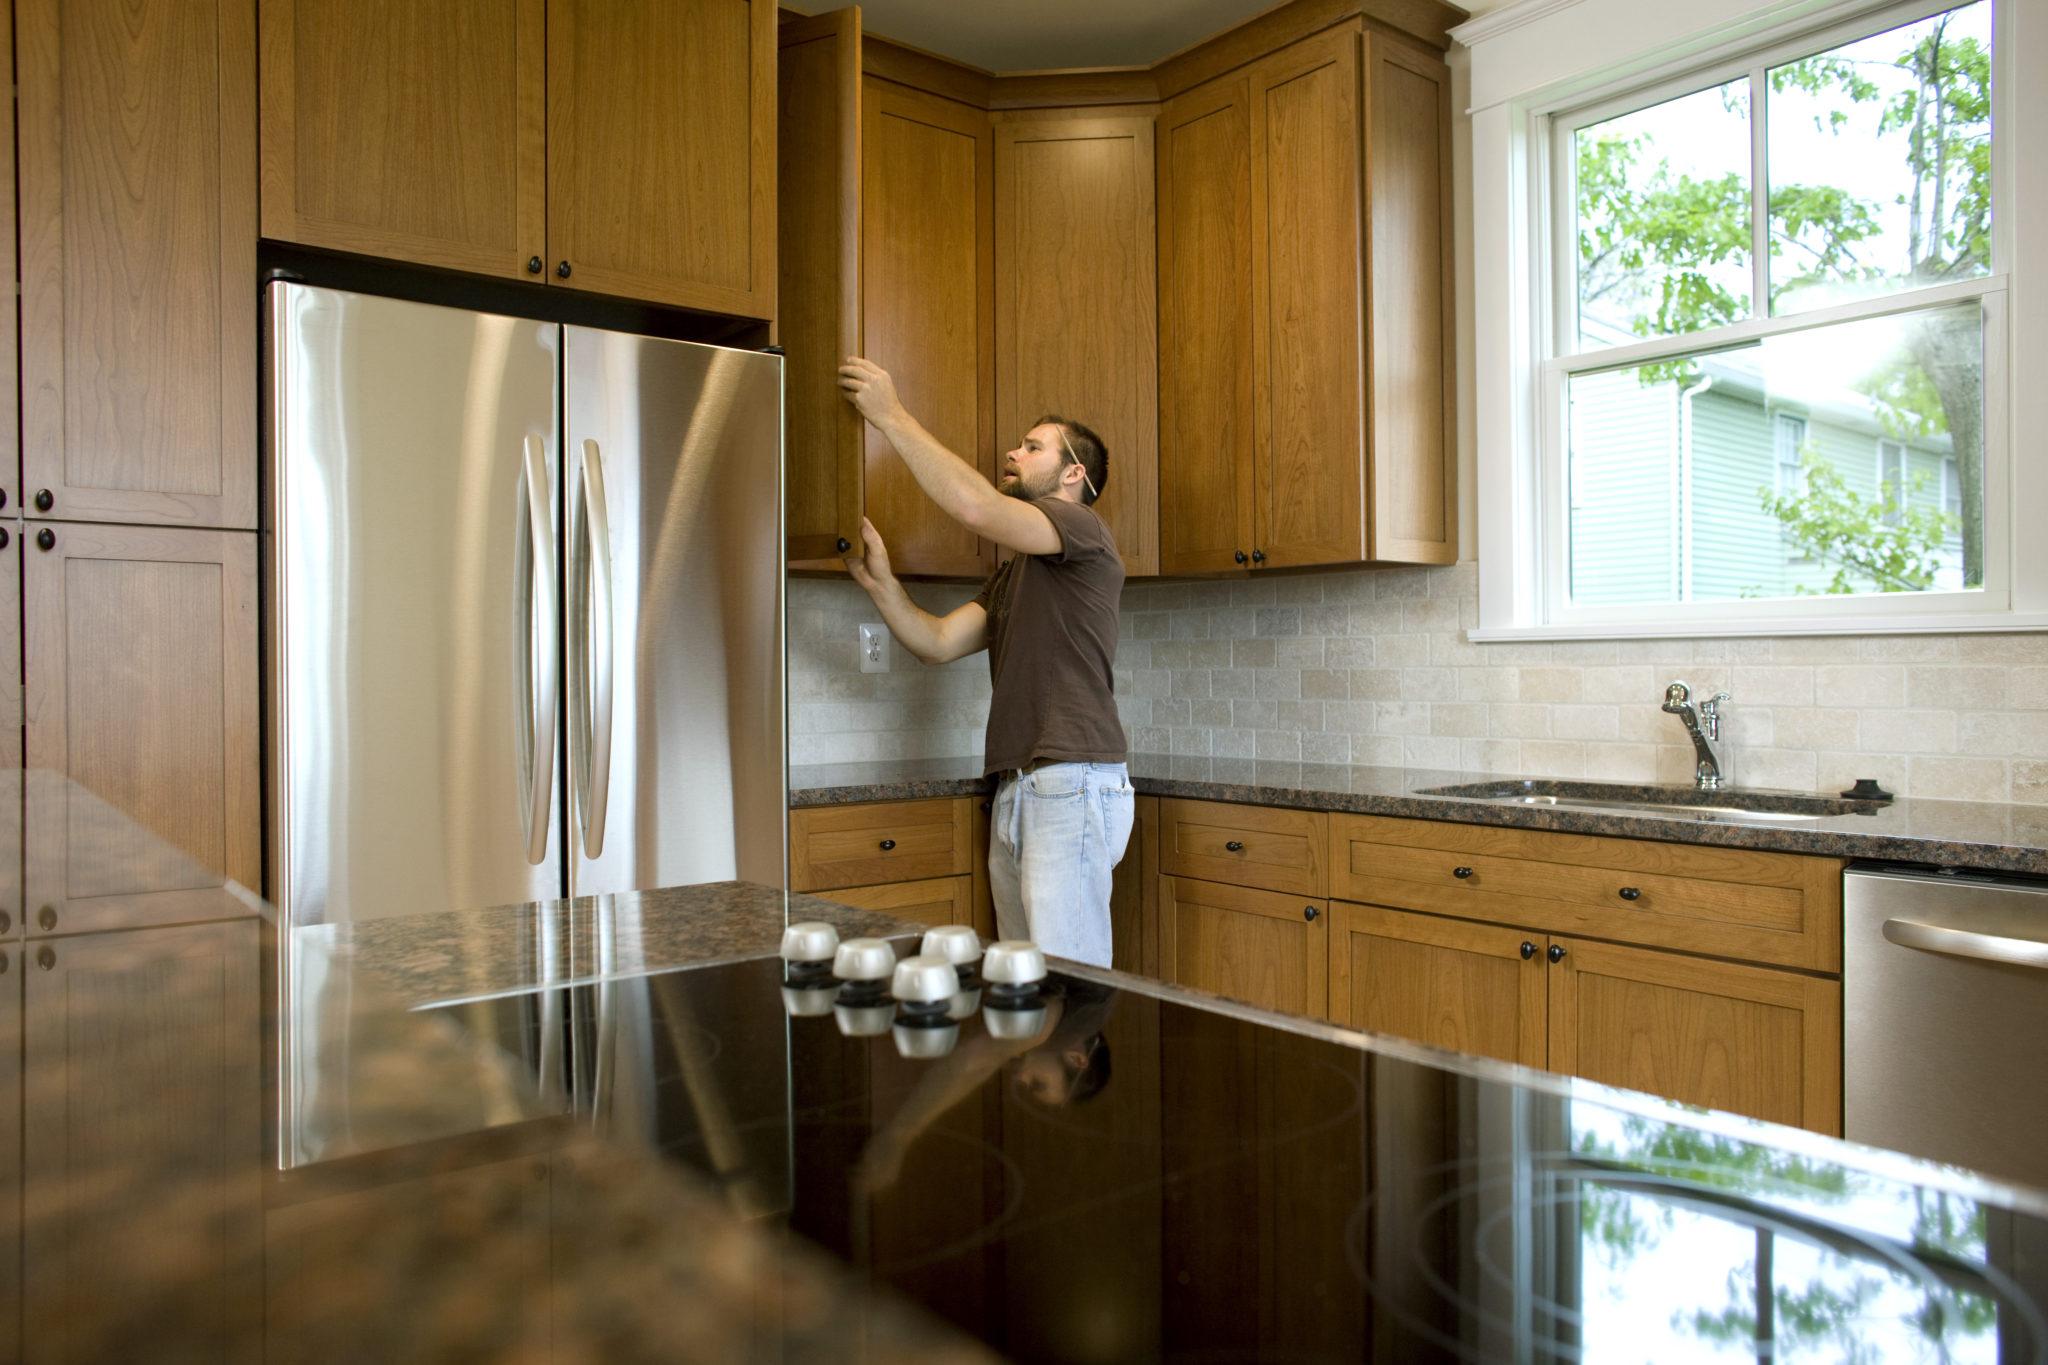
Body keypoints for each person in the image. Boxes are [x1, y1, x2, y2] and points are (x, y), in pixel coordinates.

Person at [837, 356, 1132, 967]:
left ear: (1074, 472)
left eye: (1032, 447)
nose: (1013, 453)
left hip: (1070, 782)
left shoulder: (1082, 530)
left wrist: (891, 415)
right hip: (1021, 788)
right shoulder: (1016, 572)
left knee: (1067, 988)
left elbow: (975, 508)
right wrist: (881, 585)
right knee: (1025, 985)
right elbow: (937, 642)